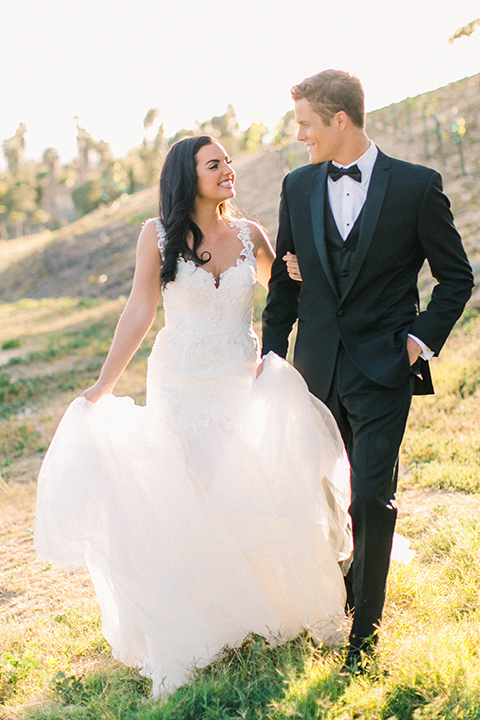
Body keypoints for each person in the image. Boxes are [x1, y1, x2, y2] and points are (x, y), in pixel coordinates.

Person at [34, 135, 353, 698]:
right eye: (215, 164)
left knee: (246, 488)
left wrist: (296, 271)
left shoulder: (250, 233)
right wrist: (104, 385)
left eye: (229, 162)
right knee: (189, 497)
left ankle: (261, 606)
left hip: (238, 377)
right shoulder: (156, 237)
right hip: (179, 384)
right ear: (189, 175)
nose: (228, 170)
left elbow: (283, 293)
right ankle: (197, 622)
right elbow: (140, 310)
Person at [262, 69, 474, 672]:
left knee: (373, 497)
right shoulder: (297, 187)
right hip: (316, 368)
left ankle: (365, 639)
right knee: (327, 496)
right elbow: (284, 283)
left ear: (339, 120)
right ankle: (344, 597)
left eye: (305, 123)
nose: (299, 135)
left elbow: (456, 278)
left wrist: (416, 342)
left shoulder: (415, 186)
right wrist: (270, 357)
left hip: (384, 368)